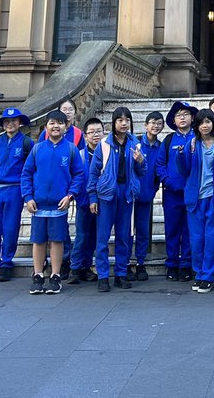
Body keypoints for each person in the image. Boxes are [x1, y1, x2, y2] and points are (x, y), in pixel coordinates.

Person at [21, 109, 86, 295]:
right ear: (46, 127)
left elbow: (79, 174)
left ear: (66, 127)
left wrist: (70, 195)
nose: (55, 126)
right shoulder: (37, 148)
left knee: (57, 240)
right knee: (38, 240)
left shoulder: (71, 149)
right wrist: (28, 197)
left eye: (60, 123)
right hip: (38, 204)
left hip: (59, 204)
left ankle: (55, 275)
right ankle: (38, 274)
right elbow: (26, 174)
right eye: (51, 123)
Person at [88, 106, 145, 292]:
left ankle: (121, 274)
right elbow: (94, 172)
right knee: (102, 238)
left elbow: (141, 172)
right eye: (120, 120)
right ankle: (103, 276)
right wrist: (92, 197)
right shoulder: (104, 144)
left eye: (127, 120)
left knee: (124, 237)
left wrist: (141, 162)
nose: (123, 123)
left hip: (127, 193)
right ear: (113, 123)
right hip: (106, 193)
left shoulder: (135, 143)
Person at [179, 108, 214, 293]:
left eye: (208, 121)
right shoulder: (192, 145)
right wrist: (180, 156)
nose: (205, 125)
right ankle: (199, 273)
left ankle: (208, 275)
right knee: (196, 239)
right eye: (201, 122)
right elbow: (184, 170)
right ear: (197, 125)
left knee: (212, 239)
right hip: (195, 199)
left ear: (213, 123)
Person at [0, 107, 31, 283]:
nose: (10, 124)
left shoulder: (26, 143)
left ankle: (6, 263)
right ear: (3, 125)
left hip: (14, 188)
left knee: (10, 228)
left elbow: (30, 168)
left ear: (20, 123)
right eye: (7, 122)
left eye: (14, 121)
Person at [39, 98, 84, 277]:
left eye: (70, 109)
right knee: (47, 230)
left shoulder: (79, 134)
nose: (66, 112)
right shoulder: (45, 137)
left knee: (63, 228)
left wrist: (73, 190)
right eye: (63, 109)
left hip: (69, 188)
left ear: (74, 113)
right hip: (47, 190)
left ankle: (66, 260)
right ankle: (46, 262)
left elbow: (79, 164)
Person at [156, 100, 196, 281]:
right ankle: (171, 263)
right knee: (172, 230)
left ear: (192, 118)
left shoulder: (198, 138)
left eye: (185, 114)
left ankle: (186, 264)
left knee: (189, 230)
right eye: (178, 115)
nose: (182, 118)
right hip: (172, 194)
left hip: (192, 193)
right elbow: (160, 164)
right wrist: (168, 182)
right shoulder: (169, 140)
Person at [69, 117, 104, 284]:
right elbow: (76, 179)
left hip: (102, 203)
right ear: (85, 135)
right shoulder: (80, 155)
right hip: (84, 203)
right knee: (82, 236)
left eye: (99, 131)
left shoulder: (107, 153)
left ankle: (87, 266)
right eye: (92, 132)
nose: (95, 135)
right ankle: (75, 268)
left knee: (94, 237)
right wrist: (83, 200)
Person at [131, 111, 163, 282]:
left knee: (143, 231)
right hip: (130, 195)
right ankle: (126, 263)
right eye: (152, 122)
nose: (155, 126)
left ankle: (140, 263)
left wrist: (153, 189)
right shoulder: (135, 142)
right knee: (127, 231)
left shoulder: (161, 146)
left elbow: (159, 170)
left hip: (147, 194)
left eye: (159, 123)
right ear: (145, 125)